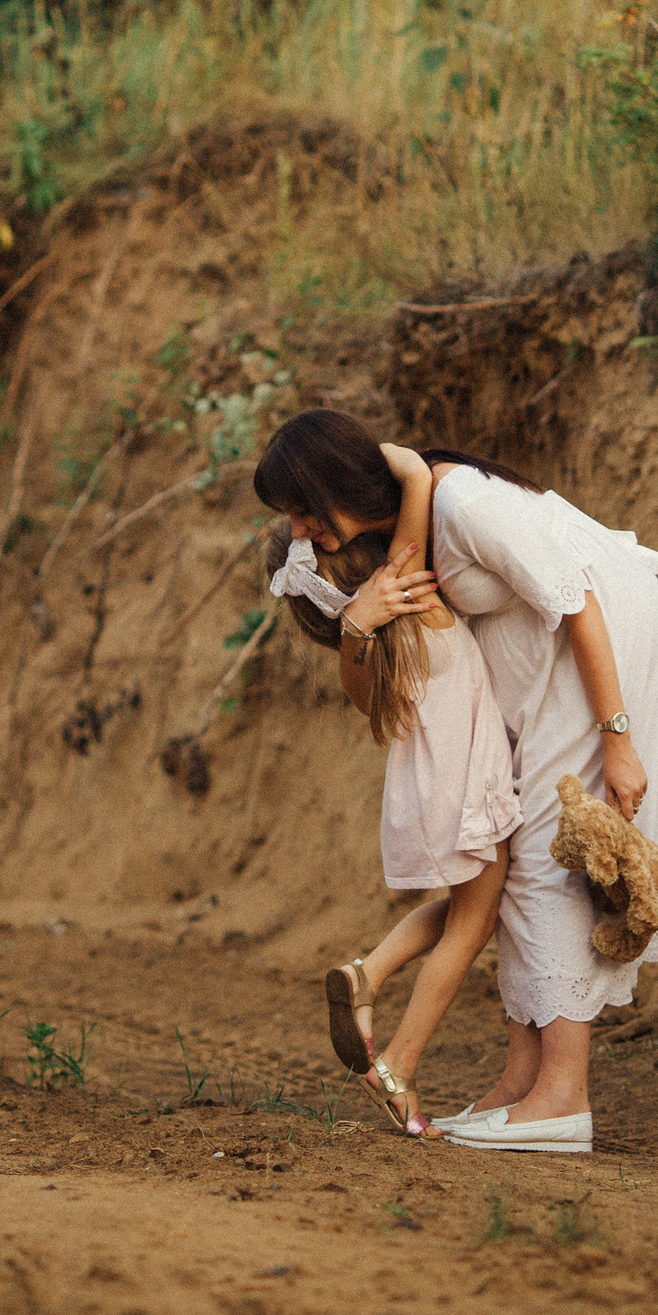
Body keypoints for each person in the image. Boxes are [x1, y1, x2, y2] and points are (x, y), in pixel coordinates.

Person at [256, 411, 658, 1155]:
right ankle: (524, 1079)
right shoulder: (408, 543)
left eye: (302, 511)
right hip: (541, 676)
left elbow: (578, 597)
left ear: (333, 485)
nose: (299, 532)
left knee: (545, 858)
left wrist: (618, 741)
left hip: (603, 636)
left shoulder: (461, 504)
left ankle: (561, 1094)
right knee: (519, 868)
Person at [264, 444, 512, 1137]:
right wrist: (358, 464)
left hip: (431, 788)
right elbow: (412, 473)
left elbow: (356, 685)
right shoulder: (410, 587)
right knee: (472, 923)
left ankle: (367, 973)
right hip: (464, 783)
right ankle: (399, 1062)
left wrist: (354, 620)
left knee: (467, 903)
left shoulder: (373, 643)